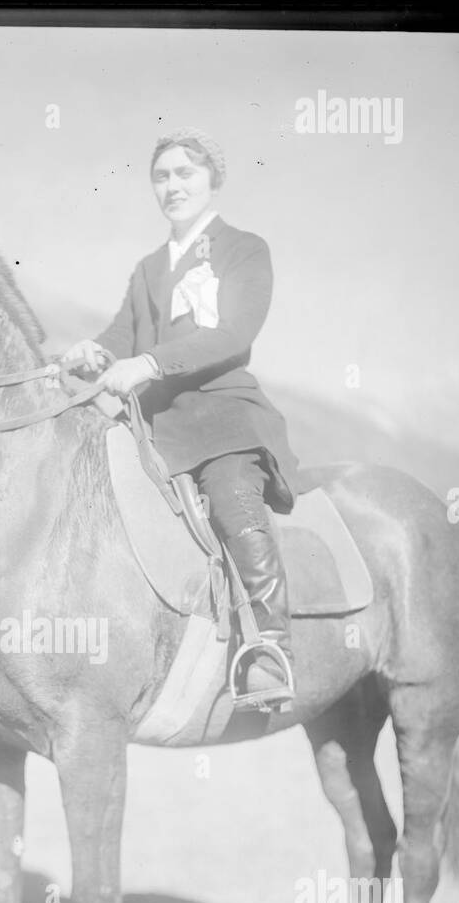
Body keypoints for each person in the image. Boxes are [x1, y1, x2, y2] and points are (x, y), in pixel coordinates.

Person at [63, 126, 300, 709]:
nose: (173, 185)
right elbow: (123, 332)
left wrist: (148, 362)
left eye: (185, 173)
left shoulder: (245, 249)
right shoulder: (147, 268)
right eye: (162, 176)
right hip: (154, 425)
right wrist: (94, 351)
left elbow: (235, 333)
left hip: (222, 416)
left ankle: (271, 648)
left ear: (212, 179)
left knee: (230, 499)